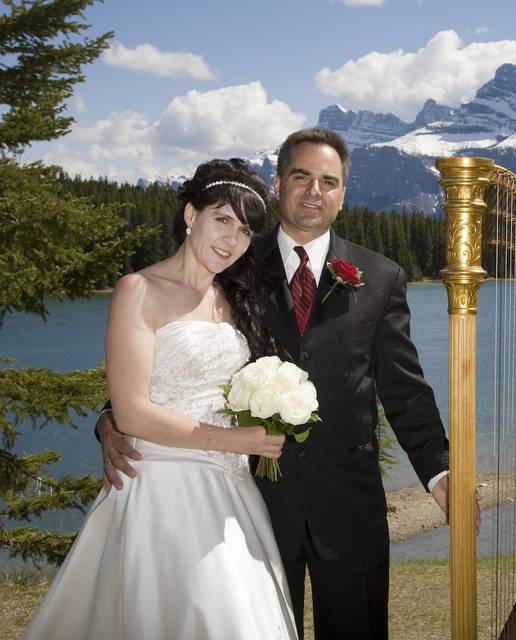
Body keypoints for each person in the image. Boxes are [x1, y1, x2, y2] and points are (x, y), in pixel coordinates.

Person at [97, 128, 450, 640]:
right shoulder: (231, 263)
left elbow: (405, 390)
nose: (314, 191)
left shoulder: (381, 275)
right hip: (251, 505)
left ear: (343, 194)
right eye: (301, 176)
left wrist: (440, 475)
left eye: (328, 181)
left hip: (349, 506)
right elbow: (172, 356)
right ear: (279, 183)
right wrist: (109, 420)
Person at [24, 159, 299, 639]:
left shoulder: (233, 299)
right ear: (191, 215)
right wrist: (232, 439)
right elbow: (129, 410)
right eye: (222, 220)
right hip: (163, 488)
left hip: (232, 492)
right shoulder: (138, 289)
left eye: (245, 230)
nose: (232, 240)